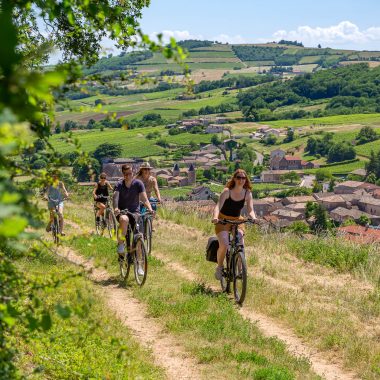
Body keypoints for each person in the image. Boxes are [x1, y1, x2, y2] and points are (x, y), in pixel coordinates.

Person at [211, 169, 257, 280]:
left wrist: (254, 217)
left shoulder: (247, 193)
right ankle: (220, 267)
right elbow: (218, 206)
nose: (241, 180)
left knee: (241, 242)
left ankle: (241, 270)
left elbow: (250, 210)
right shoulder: (227, 191)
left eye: (243, 178)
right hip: (223, 220)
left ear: (246, 180)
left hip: (237, 220)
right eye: (239, 178)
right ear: (234, 179)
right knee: (225, 244)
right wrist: (215, 217)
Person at [113, 164, 154, 274]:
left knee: (138, 239)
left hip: (135, 213)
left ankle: (139, 265)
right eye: (126, 174)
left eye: (130, 173)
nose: (128, 176)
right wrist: (116, 208)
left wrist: (150, 209)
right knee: (124, 220)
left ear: (133, 172)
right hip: (122, 212)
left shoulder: (138, 184)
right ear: (123, 174)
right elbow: (115, 197)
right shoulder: (119, 185)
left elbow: (144, 199)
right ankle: (121, 244)